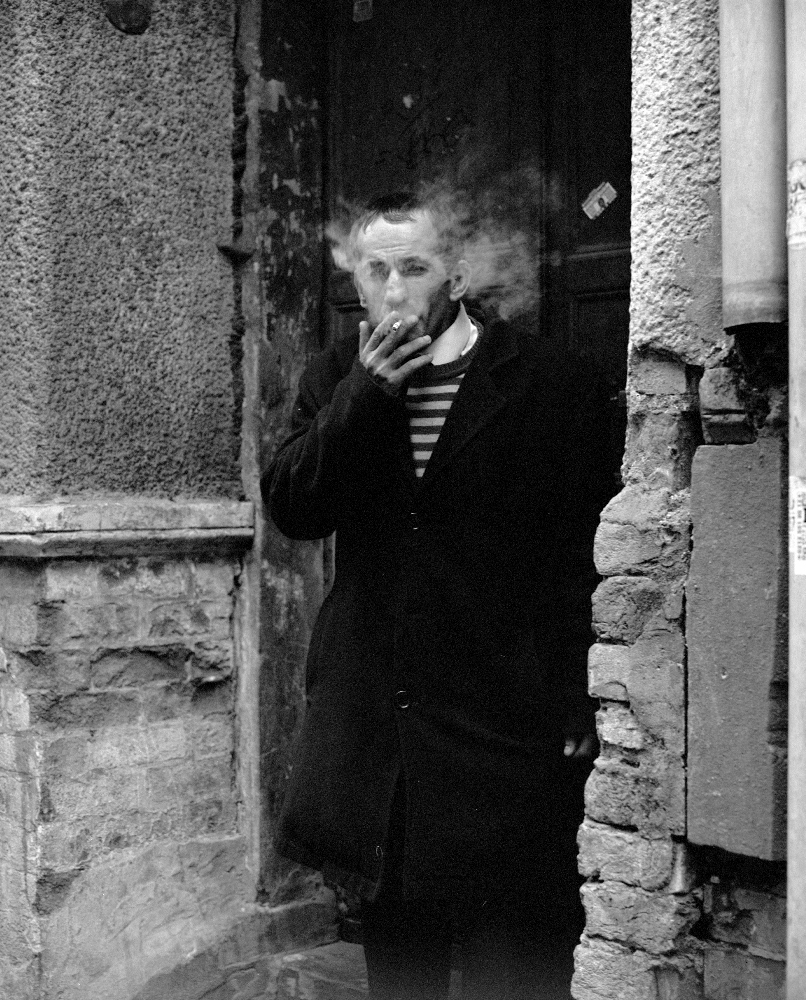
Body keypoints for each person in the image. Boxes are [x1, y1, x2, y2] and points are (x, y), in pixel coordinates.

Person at [261, 191, 606, 999]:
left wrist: (578, 690)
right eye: (374, 269)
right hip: (385, 740)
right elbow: (295, 507)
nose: (392, 289)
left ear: (457, 273)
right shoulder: (334, 376)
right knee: (403, 972)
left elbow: (579, 550)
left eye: (413, 267)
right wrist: (366, 396)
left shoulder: (548, 379)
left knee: (510, 966)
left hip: (501, 724)